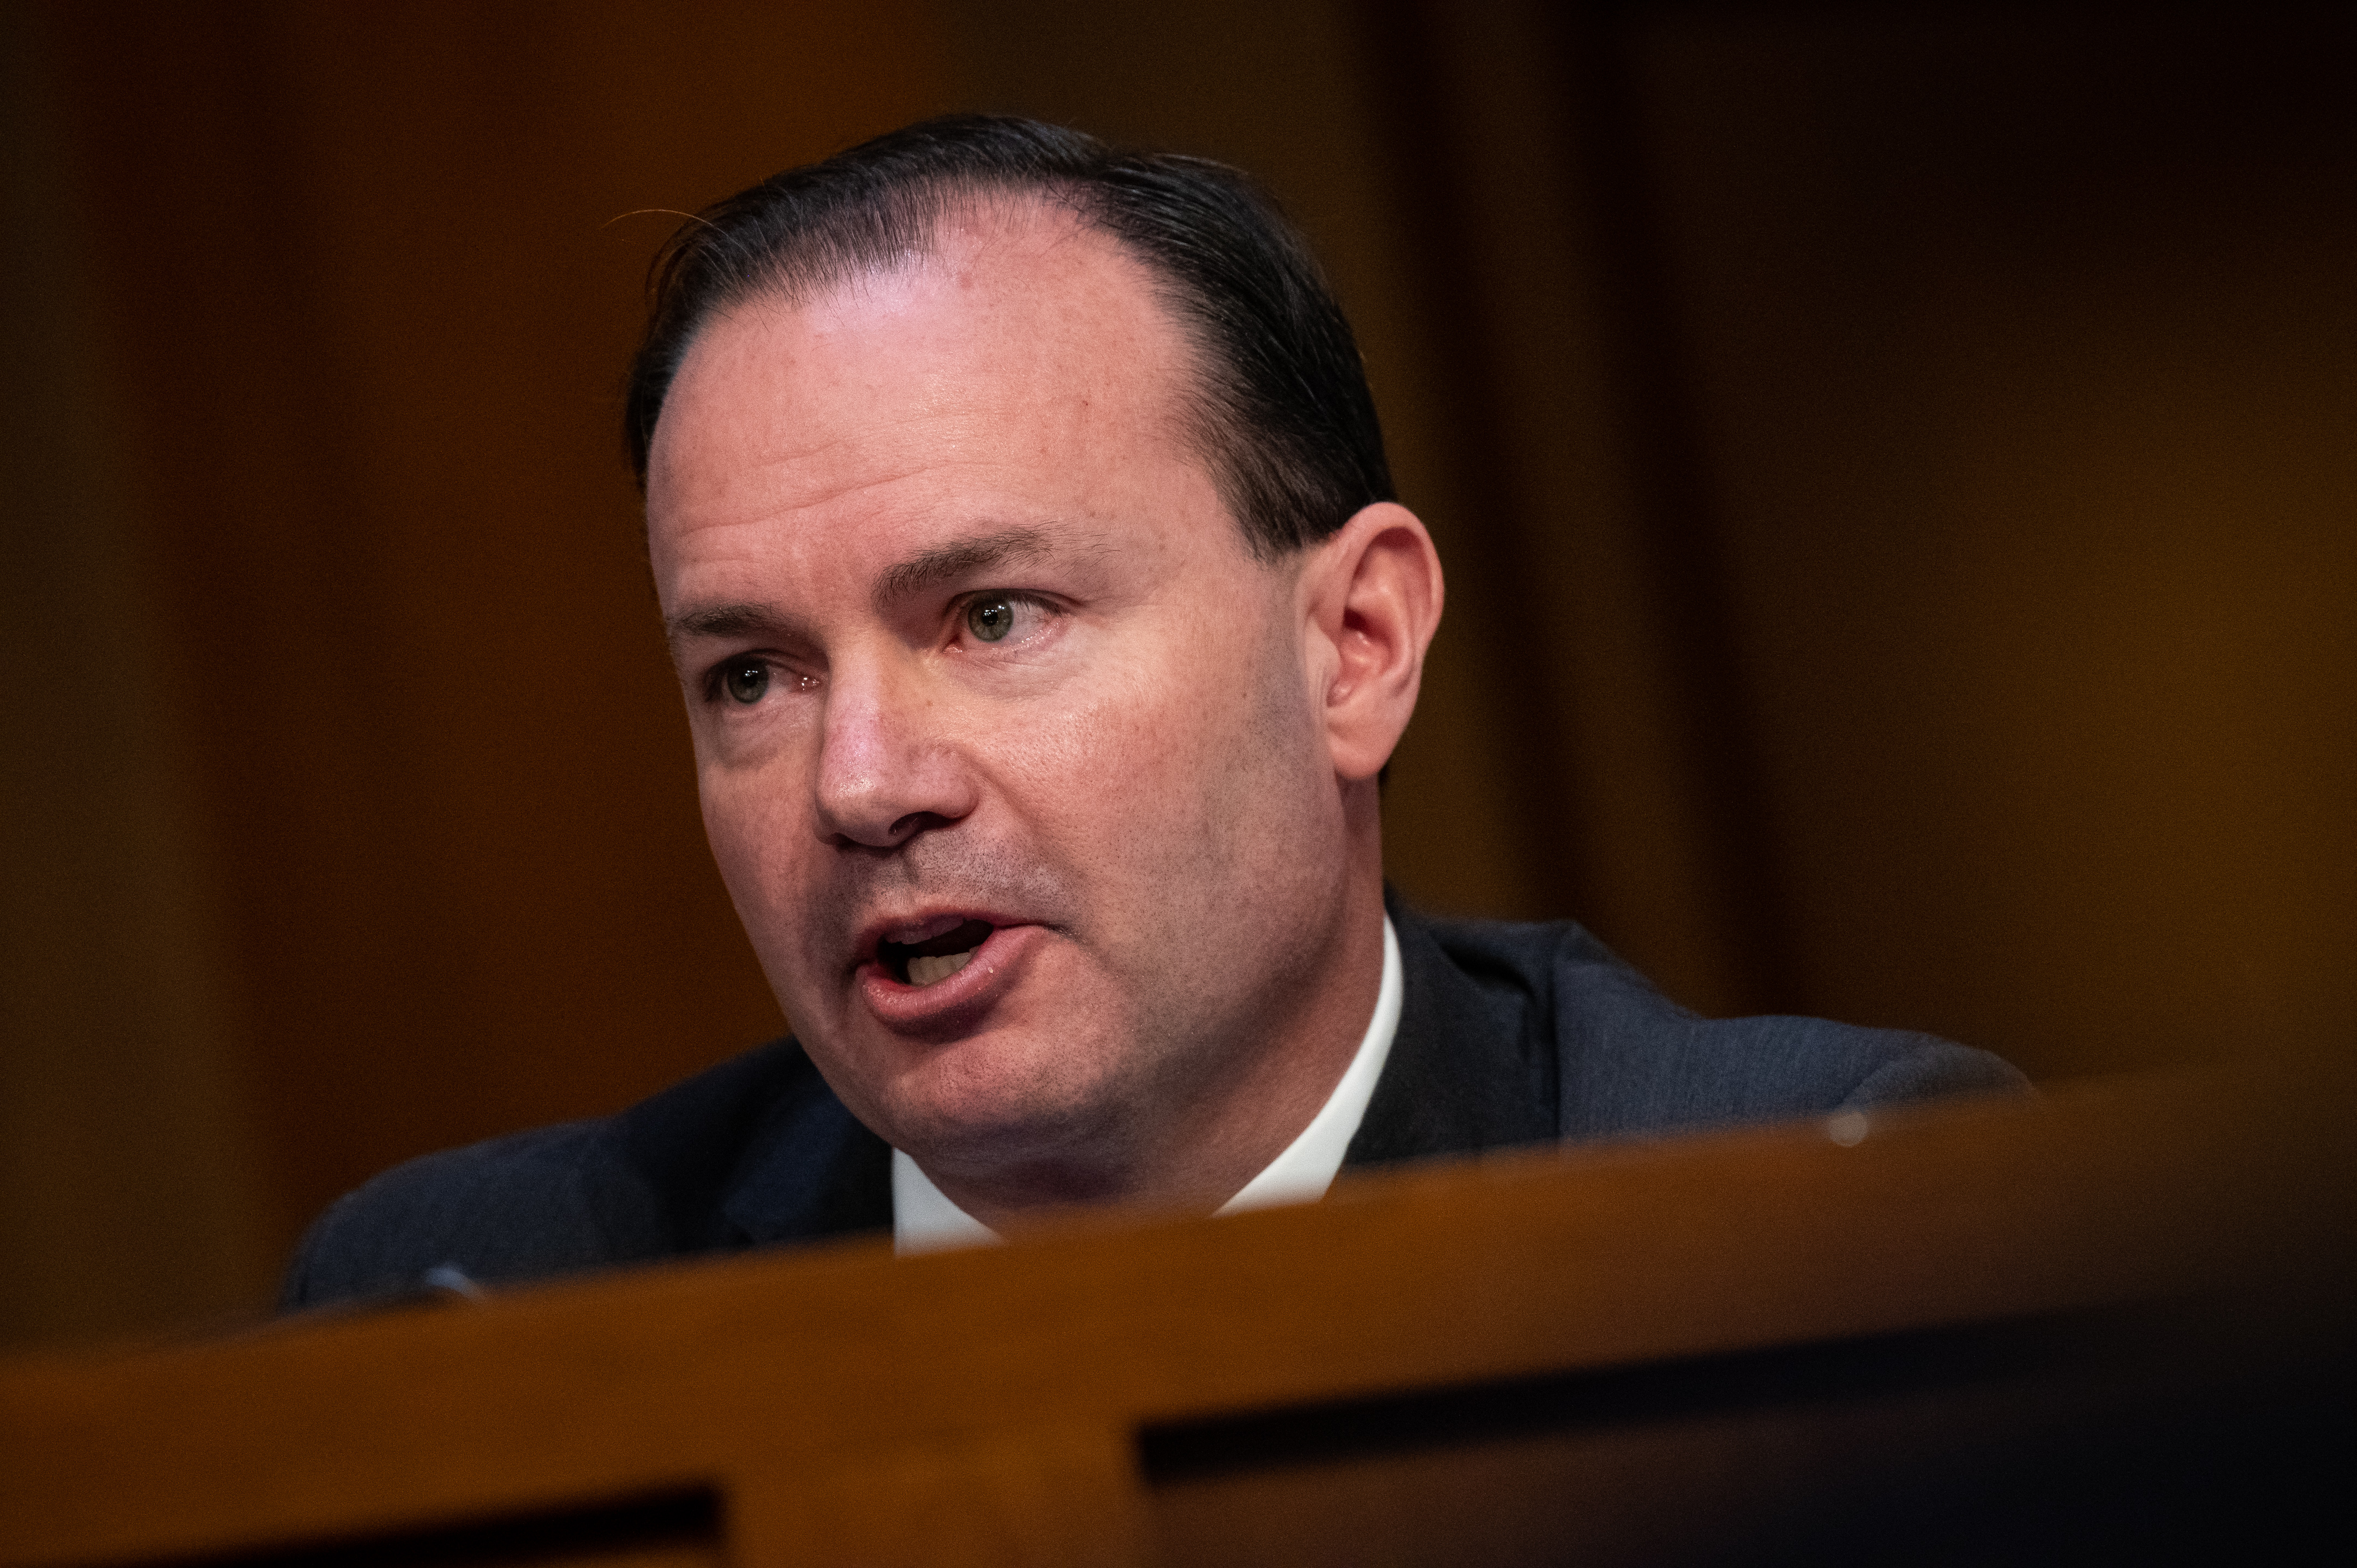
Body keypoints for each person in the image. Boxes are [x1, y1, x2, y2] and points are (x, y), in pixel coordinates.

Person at [281, 116, 2021, 1309]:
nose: (864, 783)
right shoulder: (477, 1305)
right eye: (753, 674)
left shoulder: (1820, 1219)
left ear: (1356, 644)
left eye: (993, 615)